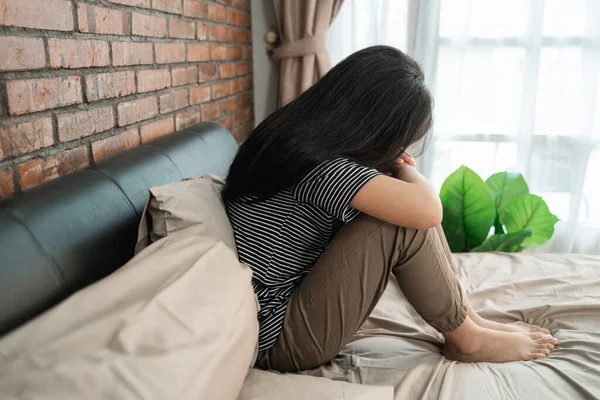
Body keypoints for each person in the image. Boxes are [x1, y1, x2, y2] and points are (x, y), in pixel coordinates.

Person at [222, 45, 558, 373]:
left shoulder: (295, 139)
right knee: (400, 222)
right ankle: (466, 339)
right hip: (279, 341)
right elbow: (427, 210)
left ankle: (469, 320)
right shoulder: (320, 167)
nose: (398, 147)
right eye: (398, 137)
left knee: (404, 210)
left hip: (286, 315)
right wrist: (405, 168)